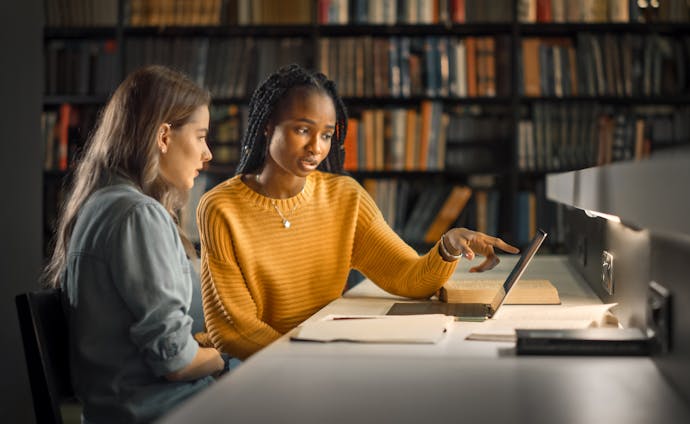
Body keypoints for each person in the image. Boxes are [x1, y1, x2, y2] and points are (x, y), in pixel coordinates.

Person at [196, 64, 519, 360]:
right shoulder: (222, 207)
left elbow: (408, 278)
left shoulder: (344, 197)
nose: (317, 148)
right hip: (264, 365)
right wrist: (304, 360)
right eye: (302, 130)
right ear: (268, 126)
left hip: (325, 352)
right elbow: (234, 330)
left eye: (326, 134)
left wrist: (448, 246)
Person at [43, 65, 228, 424]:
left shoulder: (101, 204)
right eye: (201, 136)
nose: (207, 154)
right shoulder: (137, 216)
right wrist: (228, 352)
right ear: (163, 137)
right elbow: (175, 361)